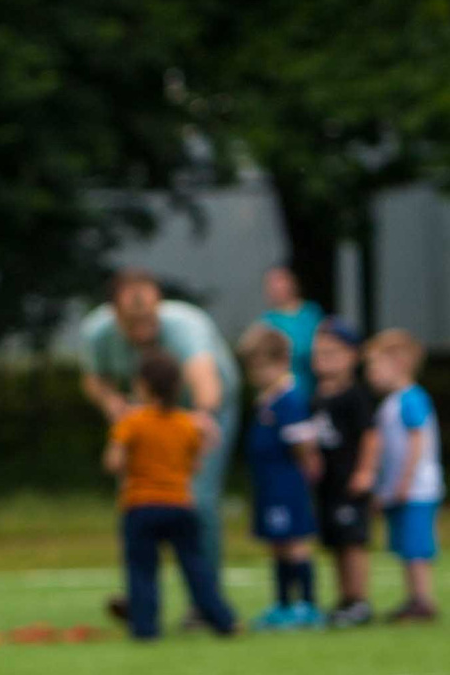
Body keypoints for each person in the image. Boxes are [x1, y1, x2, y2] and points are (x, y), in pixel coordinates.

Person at [80, 269, 241, 617]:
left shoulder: (185, 326)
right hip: (147, 412)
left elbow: (206, 384)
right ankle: (140, 597)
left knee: (197, 500)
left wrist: (199, 420)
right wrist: (113, 405)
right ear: (114, 313)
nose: (142, 325)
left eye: (148, 315)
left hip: (203, 412)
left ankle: (206, 604)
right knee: (136, 501)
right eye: (131, 319)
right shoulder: (98, 331)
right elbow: (94, 378)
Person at [96, 350, 238, 640]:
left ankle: (145, 628)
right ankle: (223, 621)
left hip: (141, 505)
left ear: (142, 386)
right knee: (195, 566)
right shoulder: (187, 424)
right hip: (179, 504)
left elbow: (113, 462)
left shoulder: (132, 422)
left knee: (142, 569)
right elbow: (196, 464)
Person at [234, 323, 323, 629]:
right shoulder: (267, 399)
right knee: (277, 543)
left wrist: (306, 469)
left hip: (286, 484)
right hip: (268, 485)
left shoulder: (289, 399)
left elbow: (303, 444)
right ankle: (283, 604)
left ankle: (307, 605)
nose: (256, 376)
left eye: (261, 368)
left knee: (294, 541)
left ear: (281, 362)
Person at [365, 328, 444, 622]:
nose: (370, 373)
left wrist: (405, 481)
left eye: (375, 365)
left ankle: (423, 600)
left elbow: (416, 441)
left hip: (416, 489)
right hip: (400, 487)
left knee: (416, 546)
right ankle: (413, 598)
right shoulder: (392, 402)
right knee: (404, 546)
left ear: (398, 364)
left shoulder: (411, 399)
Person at [307, 318, 378, 627]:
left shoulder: (356, 396)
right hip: (327, 483)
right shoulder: (317, 396)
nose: (325, 359)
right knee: (335, 542)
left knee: (352, 541)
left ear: (353, 356)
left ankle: (360, 599)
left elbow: (371, 435)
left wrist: (365, 471)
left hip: (349, 481)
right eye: (320, 353)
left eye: (333, 352)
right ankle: (344, 599)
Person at [259, 265, 325, 406]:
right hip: (283, 385)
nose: (276, 288)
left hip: (314, 380)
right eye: (271, 284)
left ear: (292, 283)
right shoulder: (267, 321)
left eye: (280, 281)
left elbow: (323, 342)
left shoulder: (311, 312)